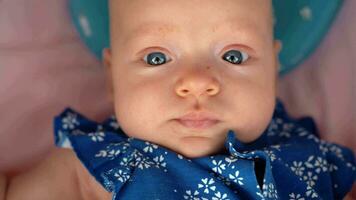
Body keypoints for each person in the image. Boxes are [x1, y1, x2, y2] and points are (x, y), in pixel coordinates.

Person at [1, 0, 355, 199]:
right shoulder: (95, 166)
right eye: (157, 58)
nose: (197, 83)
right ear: (112, 77)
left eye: (233, 56)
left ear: (273, 70)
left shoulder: (307, 160)